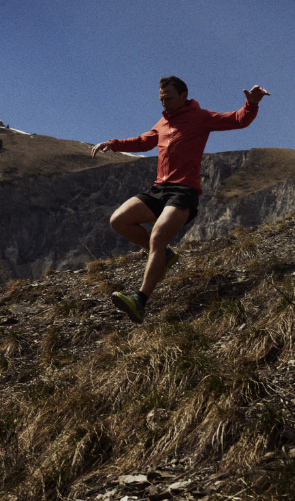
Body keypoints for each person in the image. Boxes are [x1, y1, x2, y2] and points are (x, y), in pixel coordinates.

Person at [91, 76, 270, 323]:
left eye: (168, 98)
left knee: (157, 236)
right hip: (158, 190)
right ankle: (163, 255)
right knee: (118, 220)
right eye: (161, 99)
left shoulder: (201, 117)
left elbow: (239, 120)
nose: (163, 103)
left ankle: (139, 302)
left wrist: (251, 103)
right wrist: (113, 144)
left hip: (183, 190)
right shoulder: (162, 123)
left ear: (184, 95)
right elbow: (144, 142)